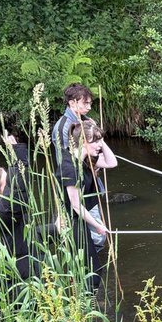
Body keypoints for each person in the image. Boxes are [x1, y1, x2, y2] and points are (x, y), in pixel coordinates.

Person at [58, 118, 115, 292]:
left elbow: (112, 162)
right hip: (72, 220)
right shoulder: (69, 167)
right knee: (93, 273)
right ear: (83, 141)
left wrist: (101, 140)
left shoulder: (87, 160)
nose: (99, 145)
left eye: (100, 140)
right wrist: (98, 225)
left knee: (91, 268)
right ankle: (84, 306)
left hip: (80, 217)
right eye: (95, 141)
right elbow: (75, 205)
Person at [52, 84, 107, 253]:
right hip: (73, 182)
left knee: (93, 232)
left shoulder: (86, 121)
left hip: (89, 181)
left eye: (90, 103)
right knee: (78, 228)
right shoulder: (63, 127)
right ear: (72, 103)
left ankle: (88, 257)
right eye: (85, 103)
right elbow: (69, 159)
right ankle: (83, 262)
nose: (89, 107)